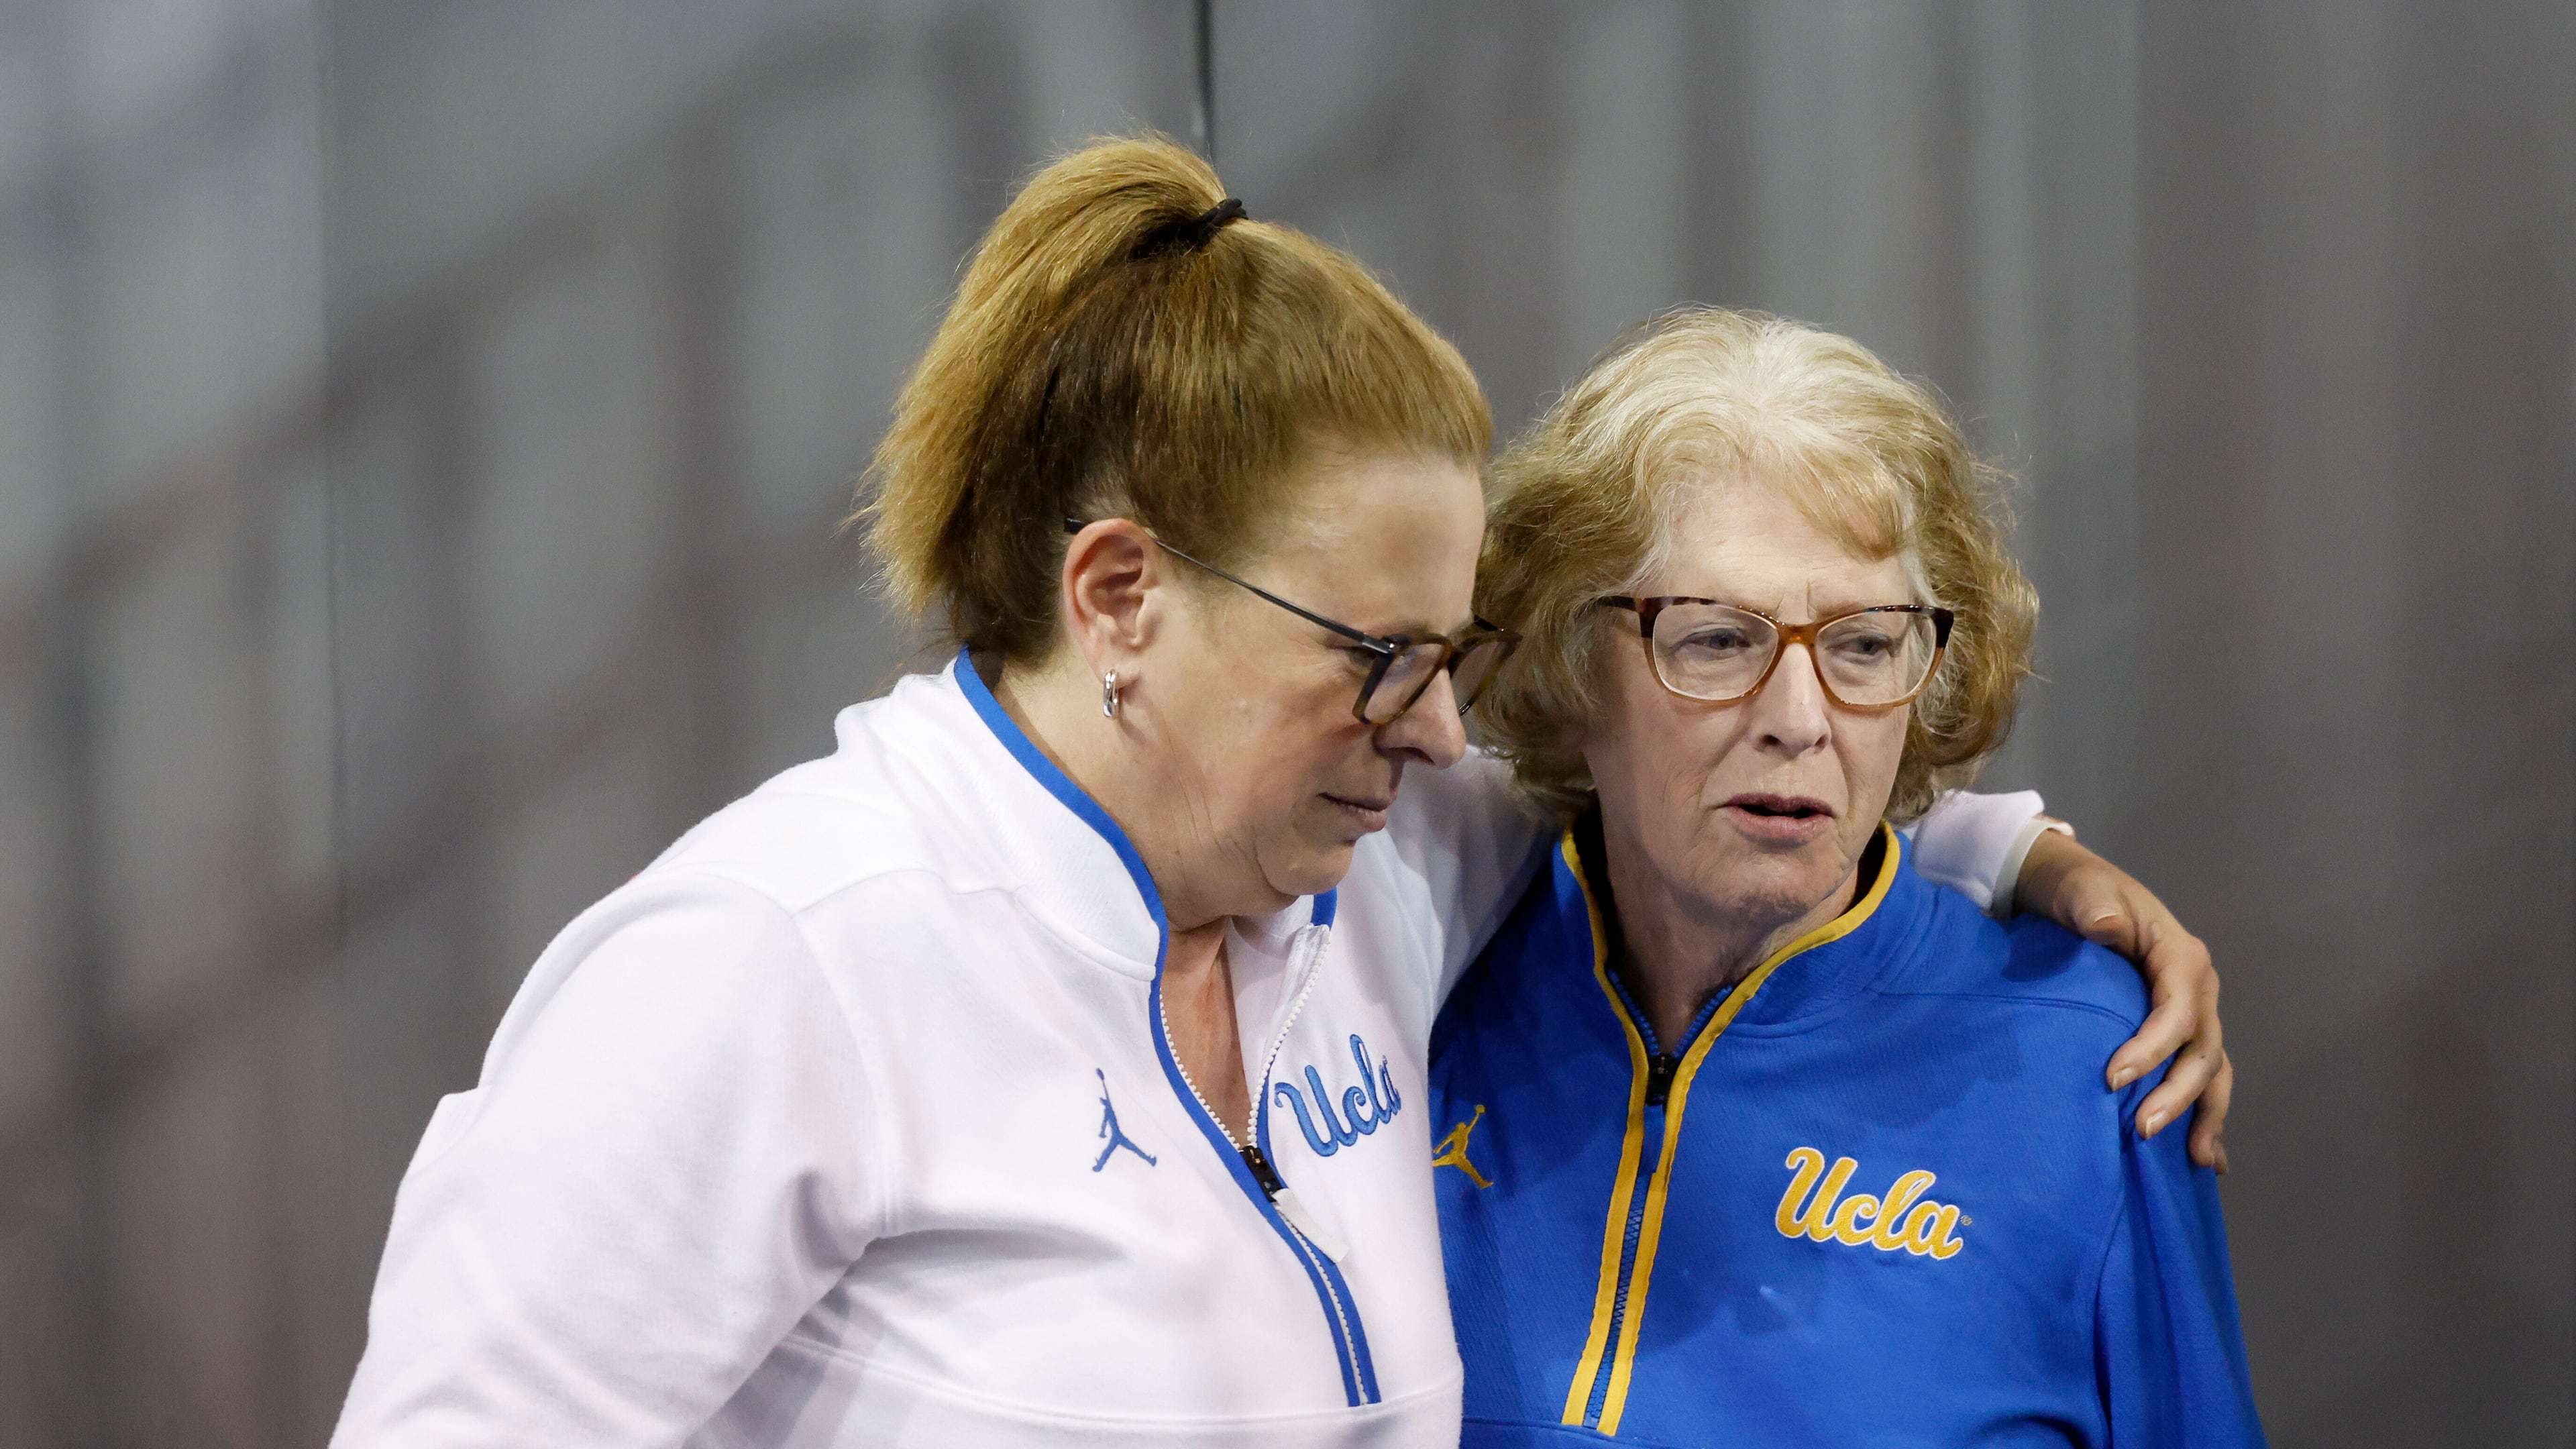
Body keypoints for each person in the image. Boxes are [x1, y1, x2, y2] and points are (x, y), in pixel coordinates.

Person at [330, 140, 2228, 1447]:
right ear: (1120, 597)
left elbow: (1699, 804)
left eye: (1453, 660)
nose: (1429, 735)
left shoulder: (1376, 868)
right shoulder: (766, 966)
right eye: (1376, 655)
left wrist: (2016, 852)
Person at [1430, 308, 2264, 1446]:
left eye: (1866, 644)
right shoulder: (1421, 972)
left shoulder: (2095, 1060)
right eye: (1717, 638)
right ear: (1571, 665)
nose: (1799, 721)